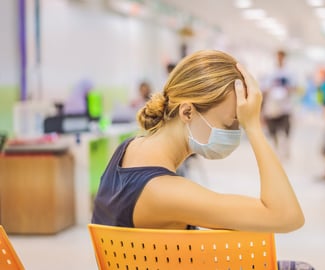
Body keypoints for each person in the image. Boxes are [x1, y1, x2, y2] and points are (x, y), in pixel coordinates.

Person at [91, 50, 312, 269]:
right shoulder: (165, 192)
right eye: (232, 123)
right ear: (187, 112)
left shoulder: (128, 149)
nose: (237, 133)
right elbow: (287, 216)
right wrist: (253, 126)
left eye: (242, 124)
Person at [261, 50, 296, 158]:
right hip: (272, 107)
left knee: (285, 129)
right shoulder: (270, 72)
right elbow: (264, 88)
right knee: (273, 130)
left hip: (285, 107)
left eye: (281, 57)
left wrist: (287, 90)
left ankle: (285, 149)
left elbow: (295, 87)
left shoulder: (290, 72)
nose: (279, 59)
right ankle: (276, 150)